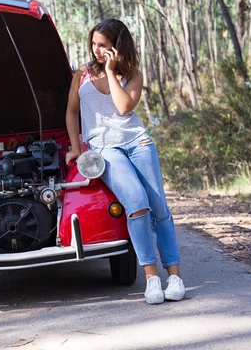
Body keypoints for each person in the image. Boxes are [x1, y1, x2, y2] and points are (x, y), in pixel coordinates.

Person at [65, 19, 185, 304]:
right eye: (94, 44)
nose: (97, 50)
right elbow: (71, 112)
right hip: (106, 149)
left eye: (103, 45)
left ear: (118, 46)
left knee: (159, 208)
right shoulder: (82, 74)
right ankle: (152, 278)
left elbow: (122, 107)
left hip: (137, 143)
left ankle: (175, 276)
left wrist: (110, 70)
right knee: (136, 204)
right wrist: (75, 148)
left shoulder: (133, 75)